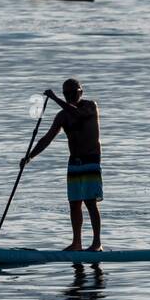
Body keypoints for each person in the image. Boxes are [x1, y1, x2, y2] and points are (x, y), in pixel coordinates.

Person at [23, 78, 103, 251]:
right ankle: (77, 243)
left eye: (72, 93)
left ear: (80, 92)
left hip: (90, 161)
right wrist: (29, 157)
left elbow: (77, 114)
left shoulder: (90, 107)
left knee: (90, 202)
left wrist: (54, 98)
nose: (69, 96)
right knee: (74, 203)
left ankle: (97, 244)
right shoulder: (62, 116)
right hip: (74, 162)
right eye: (66, 94)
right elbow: (47, 139)